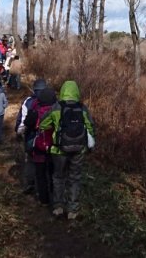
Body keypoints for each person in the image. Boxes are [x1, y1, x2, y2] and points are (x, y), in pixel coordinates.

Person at [39, 80, 95, 220]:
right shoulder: (82, 108)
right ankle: (72, 211)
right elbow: (90, 126)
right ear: (76, 92)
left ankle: (58, 207)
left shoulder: (56, 107)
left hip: (59, 151)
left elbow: (43, 125)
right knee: (74, 178)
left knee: (58, 177)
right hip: (79, 150)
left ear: (63, 91)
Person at [14, 78, 46, 195]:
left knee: (31, 161)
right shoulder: (52, 100)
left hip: (31, 137)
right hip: (47, 139)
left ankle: (30, 184)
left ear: (34, 89)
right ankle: (44, 189)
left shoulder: (28, 101)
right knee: (45, 163)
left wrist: (18, 132)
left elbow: (22, 121)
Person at [30, 86, 59, 206]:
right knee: (54, 173)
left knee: (40, 174)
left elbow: (28, 125)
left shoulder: (36, 111)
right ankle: (55, 196)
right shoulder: (57, 111)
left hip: (39, 147)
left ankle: (44, 199)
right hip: (54, 147)